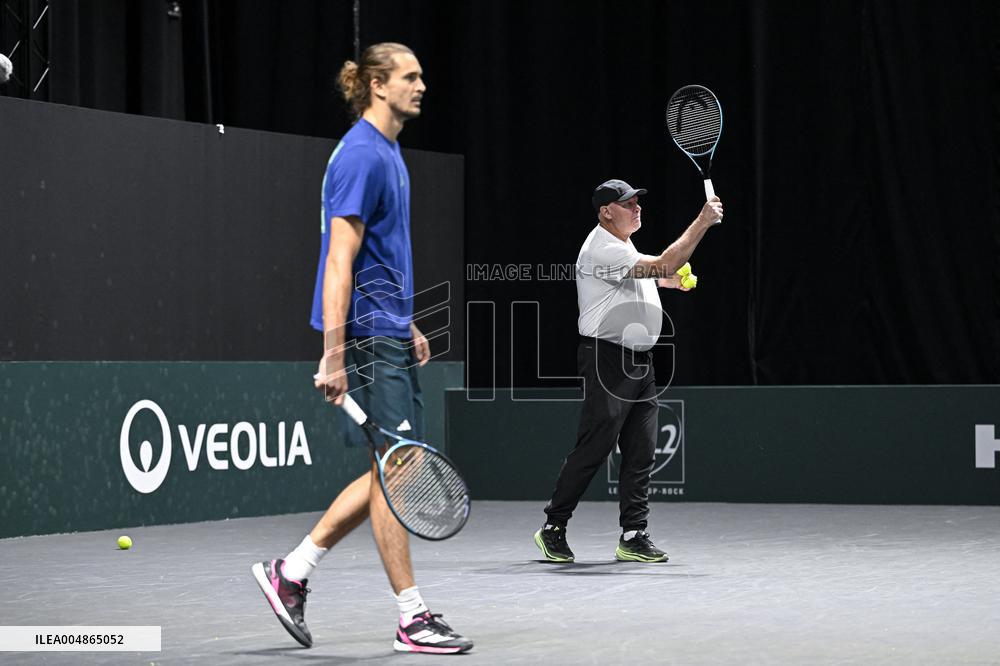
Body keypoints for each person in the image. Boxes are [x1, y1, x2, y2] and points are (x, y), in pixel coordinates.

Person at [252, 42, 472, 655]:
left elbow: (382, 254)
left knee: (389, 467)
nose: (421, 84)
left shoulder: (391, 153)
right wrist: (333, 352)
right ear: (377, 84)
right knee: (399, 470)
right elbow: (339, 261)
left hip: (388, 328)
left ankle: (290, 574)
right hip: (366, 336)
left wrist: (409, 323)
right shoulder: (360, 157)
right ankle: (411, 616)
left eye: (422, 75)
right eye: (409, 76)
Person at [534, 179, 723, 563]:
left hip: (640, 363)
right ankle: (553, 526)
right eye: (627, 204)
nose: (637, 208)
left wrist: (666, 279)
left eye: (638, 202)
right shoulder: (601, 247)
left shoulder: (622, 244)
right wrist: (702, 222)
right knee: (595, 446)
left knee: (641, 450)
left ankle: (634, 535)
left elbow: (654, 271)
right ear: (606, 211)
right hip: (607, 361)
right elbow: (663, 262)